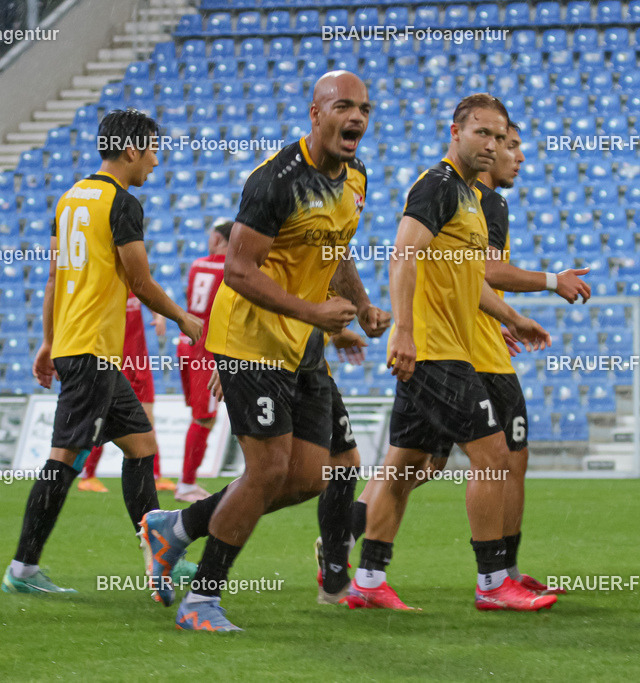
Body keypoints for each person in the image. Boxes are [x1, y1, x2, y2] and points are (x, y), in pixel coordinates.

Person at [139, 71, 389, 631]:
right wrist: (314, 313)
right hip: (249, 342)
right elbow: (238, 270)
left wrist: (362, 306)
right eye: (344, 107)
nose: (356, 119)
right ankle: (201, 601)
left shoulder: (357, 178)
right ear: (315, 113)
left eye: (365, 109)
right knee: (268, 469)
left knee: (308, 477)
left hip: (302, 347)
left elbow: (335, 252)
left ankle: (176, 529)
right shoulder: (276, 179)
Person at [345, 122, 588, 598]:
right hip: (445, 351)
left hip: (450, 346)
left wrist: (510, 317)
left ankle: (363, 572)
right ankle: (496, 579)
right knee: (498, 458)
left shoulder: (470, 199)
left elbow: (472, 279)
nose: (506, 152)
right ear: (458, 133)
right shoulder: (446, 187)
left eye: (506, 141)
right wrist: (407, 332)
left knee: (410, 466)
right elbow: (404, 255)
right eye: (494, 139)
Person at [1, 108, 203, 595]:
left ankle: (161, 555)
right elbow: (140, 282)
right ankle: (22, 570)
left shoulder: (70, 198)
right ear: (131, 149)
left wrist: (49, 341)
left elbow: (54, 276)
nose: (155, 160)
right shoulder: (122, 202)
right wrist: (182, 317)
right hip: (91, 351)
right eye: (152, 149)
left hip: (78, 346)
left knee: (142, 446)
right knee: (64, 460)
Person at [77, 293, 175, 493]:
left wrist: (159, 315)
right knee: (102, 418)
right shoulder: (104, 282)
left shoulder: (133, 279)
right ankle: (88, 475)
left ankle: (156, 475)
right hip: (113, 359)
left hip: (139, 361)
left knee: (148, 419)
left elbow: (150, 293)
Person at [173, 221, 231, 502]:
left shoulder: (197, 265)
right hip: (206, 351)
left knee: (199, 416)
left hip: (187, 345)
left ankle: (187, 481)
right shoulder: (230, 271)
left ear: (217, 239)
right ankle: (186, 484)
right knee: (204, 418)